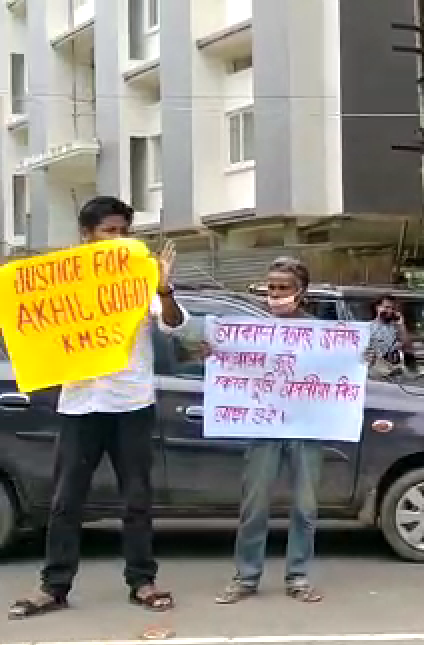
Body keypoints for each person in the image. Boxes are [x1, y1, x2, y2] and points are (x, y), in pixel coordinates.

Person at [9, 196, 188, 620]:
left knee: (136, 499)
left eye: (124, 231)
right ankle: (54, 586)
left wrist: (163, 288)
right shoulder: (64, 281)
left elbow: (174, 323)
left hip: (132, 405)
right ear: (87, 235)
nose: (118, 239)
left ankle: (142, 581)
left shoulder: (140, 278)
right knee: (66, 501)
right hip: (80, 406)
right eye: (109, 231)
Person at [210, 257, 336, 605]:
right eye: (272, 287)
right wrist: (214, 352)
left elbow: (342, 369)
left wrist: (362, 356)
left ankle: (298, 577)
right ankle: (246, 577)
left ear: (301, 292)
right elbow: (227, 361)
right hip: (264, 427)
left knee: (305, 508)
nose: (276, 294)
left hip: (306, 429)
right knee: (254, 506)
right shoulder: (251, 330)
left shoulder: (322, 334)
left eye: (284, 288)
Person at [368, 294, 411, 371]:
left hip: (395, 369)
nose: (390, 311)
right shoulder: (368, 327)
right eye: (387, 307)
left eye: (393, 308)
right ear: (377, 307)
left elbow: (407, 347)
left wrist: (401, 325)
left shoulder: (397, 327)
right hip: (376, 371)